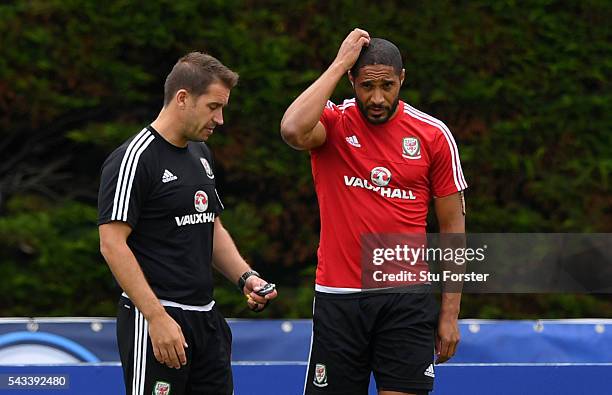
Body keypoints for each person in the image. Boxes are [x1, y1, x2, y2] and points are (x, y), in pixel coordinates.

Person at [280, 29, 467, 395]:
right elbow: (292, 129)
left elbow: (452, 228)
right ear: (351, 80)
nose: (377, 98)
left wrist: (449, 314)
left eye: (387, 86)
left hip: (406, 299)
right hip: (339, 296)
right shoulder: (333, 123)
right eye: (366, 86)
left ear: (402, 80)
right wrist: (338, 63)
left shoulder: (433, 135)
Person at [98, 52, 277, 395]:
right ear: (182, 98)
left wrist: (245, 276)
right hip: (157, 320)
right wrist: (156, 318)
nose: (220, 119)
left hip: (206, 319)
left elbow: (210, 225)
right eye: (213, 107)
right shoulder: (134, 159)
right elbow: (112, 244)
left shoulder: (201, 153)